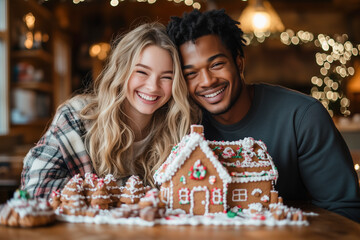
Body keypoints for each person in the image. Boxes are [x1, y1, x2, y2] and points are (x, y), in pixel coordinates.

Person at [167, 9, 360, 222]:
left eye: (217, 65)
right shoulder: (182, 125)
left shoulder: (302, 117)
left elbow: (343, 211)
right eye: (191, 74)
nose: (207, 81)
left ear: (239, 63)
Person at [21, 22, 197, 199]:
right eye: (142, 72)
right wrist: (131, 192)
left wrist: (100, 190)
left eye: (167, 77)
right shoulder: (76, 116)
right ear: (121, 70)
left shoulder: (179, 128)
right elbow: (36, 189)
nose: (153, 87)